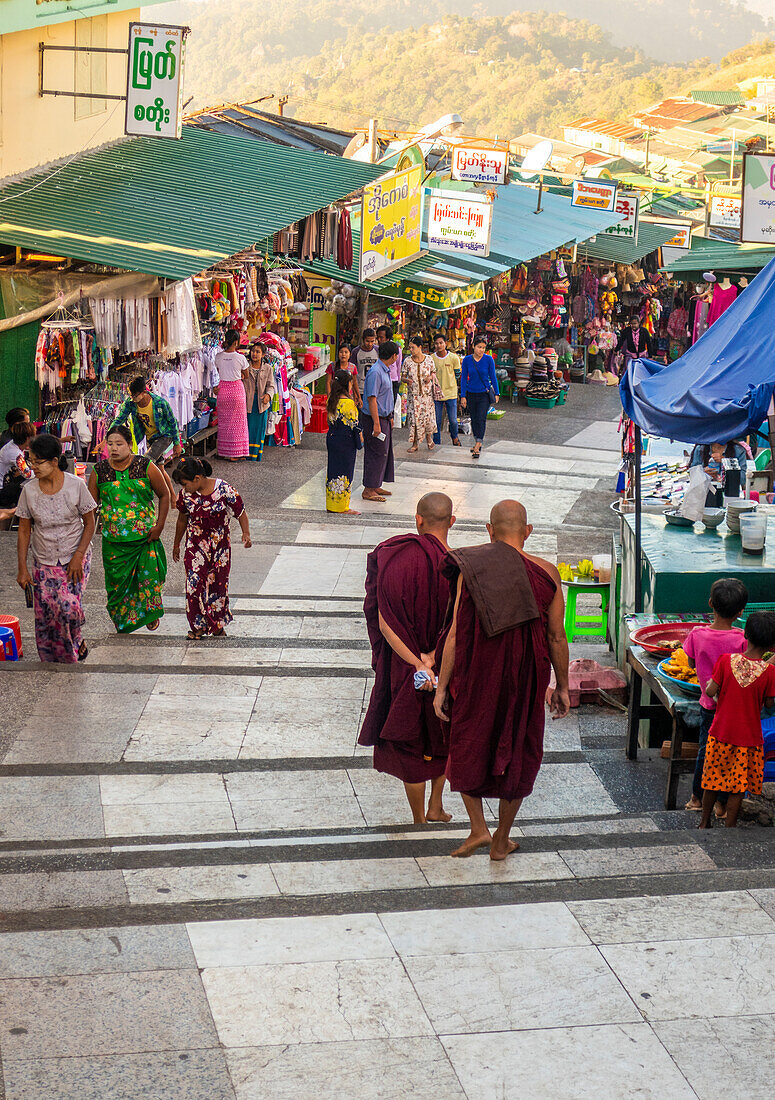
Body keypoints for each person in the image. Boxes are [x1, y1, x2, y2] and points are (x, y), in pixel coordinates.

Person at [434, 500, 570, 859]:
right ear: (528, 531)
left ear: (489, 531)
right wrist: (563, 686)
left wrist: (442, 687)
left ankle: (478, 828)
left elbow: (454, 635)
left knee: (467, 742)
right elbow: (557, 637)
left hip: (476, 674)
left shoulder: (472, 568)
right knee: (521, 750)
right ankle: (499, 838)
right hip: (526, 679)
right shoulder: (547, 573)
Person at [359, 493, 457, 823]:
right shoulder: (458, 566)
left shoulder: (396, 557)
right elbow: (461, 625)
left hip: (407, 669)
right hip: (444, 666)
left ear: (418, 520)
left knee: (412, 742)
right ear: (452, 522)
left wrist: (416, 663)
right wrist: (434, 658)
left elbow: (384, 621)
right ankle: (436, 805)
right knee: (444, 734)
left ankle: (419, 817)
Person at [16, 434, 96, 663]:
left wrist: (78, 556)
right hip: (44, 559)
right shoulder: (29, 491)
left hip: (75, 555)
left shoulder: (76, 485)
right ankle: (57, 657)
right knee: (47, 614)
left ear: (53, 461)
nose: (33, 467)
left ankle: (76, 640)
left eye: (37, 462)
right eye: (30, 461)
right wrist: (22, 568)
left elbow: (90, 523)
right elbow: (24, 530)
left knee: (68, 606)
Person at [88, 425, 169, 634]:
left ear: (130, 445)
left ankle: (149, 613)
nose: (114, 448)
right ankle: (124, 621)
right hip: (114, 543)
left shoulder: (146, 466)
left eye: (119, 444)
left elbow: (165, 494)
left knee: (148, 579)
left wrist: (159, 526)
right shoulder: (99, 471)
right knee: (117, 587)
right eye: (110, 444)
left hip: (145, 539)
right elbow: (89, 505)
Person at [700, 611, 775, 829]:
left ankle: (704, 822)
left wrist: (714, 689)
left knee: (712, 781)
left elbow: (711, 689)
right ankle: (730, 826)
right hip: (749, 739)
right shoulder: (770, 672)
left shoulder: (725, 661)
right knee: (737, 786)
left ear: (746, 635)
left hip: (720, 734)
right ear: (772, 646)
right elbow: (770, 704)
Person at [683, 579, 748, 815]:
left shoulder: (697, 634)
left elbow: (690, 663)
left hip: (708, 706)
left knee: (705, 750)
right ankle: (721, 803)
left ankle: (697, 798)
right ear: (741, 611)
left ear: (710, 603)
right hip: (734, 710)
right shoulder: (742, 640)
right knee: (729, 755)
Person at [172, 457, 251, 640]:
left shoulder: (223, 489)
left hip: (220, 548)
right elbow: (182, 519)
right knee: (193, 585)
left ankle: (216, 625)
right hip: (195, 546)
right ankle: (197, 626)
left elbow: (240, 511)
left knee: (218, 585)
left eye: (186, 484)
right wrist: (176, 543)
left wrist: (246, 533)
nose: (184, 488)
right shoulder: (185, 495)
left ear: (197, 478)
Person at [361, 340, 399, 504]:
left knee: (384, 452)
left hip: (384, 417)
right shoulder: (376, 372)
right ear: (394, 356)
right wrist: (377, 423)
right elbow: (372, 399)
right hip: (373, 418)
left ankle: (375, 484)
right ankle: (368, 489)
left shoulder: (385, 370)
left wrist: (389, 417)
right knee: (376, 452)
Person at [111, 377, 183, 463]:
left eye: (135, 396)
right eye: (130, 395)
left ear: (144, 392)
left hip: (164, 436)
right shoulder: (130, 403)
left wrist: (176, 443)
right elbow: (120, 419)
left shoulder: (160, 403)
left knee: (145, 463)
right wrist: (108, 435)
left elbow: (172, 422)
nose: (132, 398)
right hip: (150, 438)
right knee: (159, 468)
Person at [325, 369, 363, 514]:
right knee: (345, 473)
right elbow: (355, 425)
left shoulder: (331, 400)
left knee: (333, 472)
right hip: (346, 442)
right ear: (347, 384)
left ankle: (332, 505)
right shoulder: (349, 403)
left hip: (333, 439)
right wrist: (360, 441)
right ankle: (342, 507)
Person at [460, 336, 499, 459]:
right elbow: (463, 379)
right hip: (471, 393)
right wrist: (463, 396)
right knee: (474, 418)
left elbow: (493, 377)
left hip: (484, 394)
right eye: (479, 347)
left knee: (481, 418)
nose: (481, 350)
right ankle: (477, 439)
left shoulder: (488, 359)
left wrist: (497, 393)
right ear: (473, 347)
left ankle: (478, 444)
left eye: (483, 348)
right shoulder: (467, 360)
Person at [214, 329, 250, 461]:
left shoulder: (218, 357)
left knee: (224, 423)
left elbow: (219, 372)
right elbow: (245, 375)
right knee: (238, 423)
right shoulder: (241, 358)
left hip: (223, 390)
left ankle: (224, 452)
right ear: (236, 342)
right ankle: (236, 453)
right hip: (236, 391)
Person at [402, 336, 438, 453]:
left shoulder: (429, 359)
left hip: (427, 396)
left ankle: (428, 438)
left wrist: (430, 377)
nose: (411, 350)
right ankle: (415, 443)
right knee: (414, 419)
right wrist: (407, 380)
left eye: (413, 347)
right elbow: (402, 376)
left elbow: (433, 372)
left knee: (427, 418)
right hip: (414, 396)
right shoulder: (407, 361)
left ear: (420, 347)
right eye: (410, 348)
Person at [0, 421, 35, 528]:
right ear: (27, 438)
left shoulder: (13, 446)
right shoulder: (14, 453)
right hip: (2, 491)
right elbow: (28, 474)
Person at [244, 341, 273, 462]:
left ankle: (256, 456)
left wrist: (268, 395)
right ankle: (245, 454)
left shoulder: (268, 368)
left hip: (261, 404)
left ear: (263, 354)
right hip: (247, 403)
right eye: (253, 351)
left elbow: (271, 386)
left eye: (258, 352)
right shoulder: (245, 367)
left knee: (259, 430)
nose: (254, 354)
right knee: (248, 429)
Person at [432, 334, 461, 447]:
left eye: (441, 343)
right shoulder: (431, 358)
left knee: (453, 420)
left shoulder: (454, 358)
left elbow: (457, 374)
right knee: (437, 421)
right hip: (436, 394)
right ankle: (436, 442)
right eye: (436, 343)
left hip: (451, 393)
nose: (439, 345)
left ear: (445, 343)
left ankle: (454, 437)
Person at [377, 324, 402, 403]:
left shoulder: (396, 349)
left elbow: (398, 365)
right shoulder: (376, 349)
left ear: (387, 338)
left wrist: (398, 380)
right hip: (380, 380)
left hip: (393, 380)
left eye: (381, 337)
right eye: (378, 337)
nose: (379, 340)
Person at [350, 328, 379, 396]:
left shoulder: (378, 350)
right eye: (367, 341)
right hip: (360, 389)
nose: (369, 344)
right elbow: (352, 371)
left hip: (374, 388)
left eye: (372, 341)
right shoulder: (356, 352)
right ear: (363, 339)